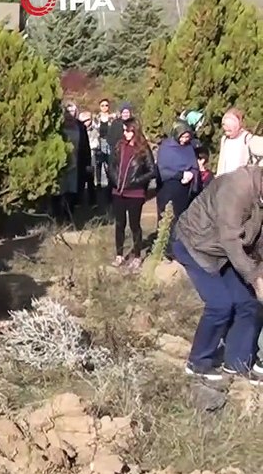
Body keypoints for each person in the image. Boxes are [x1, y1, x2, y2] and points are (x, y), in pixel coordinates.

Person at [170, 167, 263, 384]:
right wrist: (255, 278)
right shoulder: (237, 187)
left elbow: (259, 241)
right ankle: (198, 362)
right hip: (195, 245)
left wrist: (259, 271)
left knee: (247, 303)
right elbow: (230, 239)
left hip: (222, 252)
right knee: (220, 304)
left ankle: (237, 363)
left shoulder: (259, 196)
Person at [108, 120, 154, 268]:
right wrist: (115, 179)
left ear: (135, 131)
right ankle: (119, 255)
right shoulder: (119, 146)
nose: (125, 134)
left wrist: (136, 181)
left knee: (134, 225)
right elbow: (112, 166)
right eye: (124, 131)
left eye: (128, 131)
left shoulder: (143, 149)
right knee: (120, 224)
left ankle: (137, 256)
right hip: (118, 191)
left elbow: (152, 171)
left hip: (135, 193)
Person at [155, 122, 200, 243]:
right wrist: (180, 174)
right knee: (167, 218)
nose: (184, 140)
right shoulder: (166, 147)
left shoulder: (188, 147)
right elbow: (163, 168)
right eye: (182, 137)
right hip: (167, 189)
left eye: (187, 137)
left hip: (184, 190)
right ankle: (166, 247)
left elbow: (193, 165)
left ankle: (179, 244)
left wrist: (192, 173)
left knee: (180, 217)